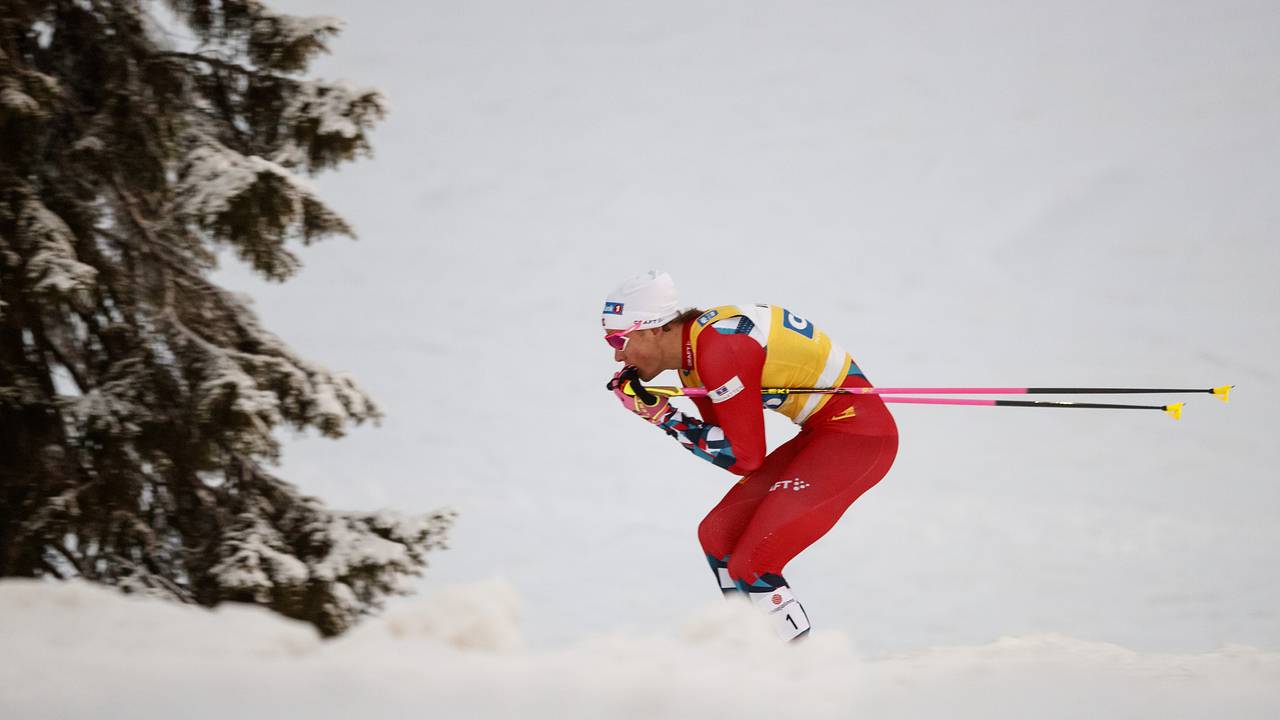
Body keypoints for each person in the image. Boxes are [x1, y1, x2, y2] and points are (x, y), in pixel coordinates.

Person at [602, 270, 899, 641]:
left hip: (858, 436)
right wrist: (661, 413)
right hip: (822, 433)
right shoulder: (694, 359)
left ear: (653, 329)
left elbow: (744, 458)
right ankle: (750, 652)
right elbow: (728, 445)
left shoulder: (718, 348)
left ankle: (801, 666)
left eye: (619, 339)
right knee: (717, 537)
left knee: (753, 563)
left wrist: (662, 416)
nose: (616, 354)